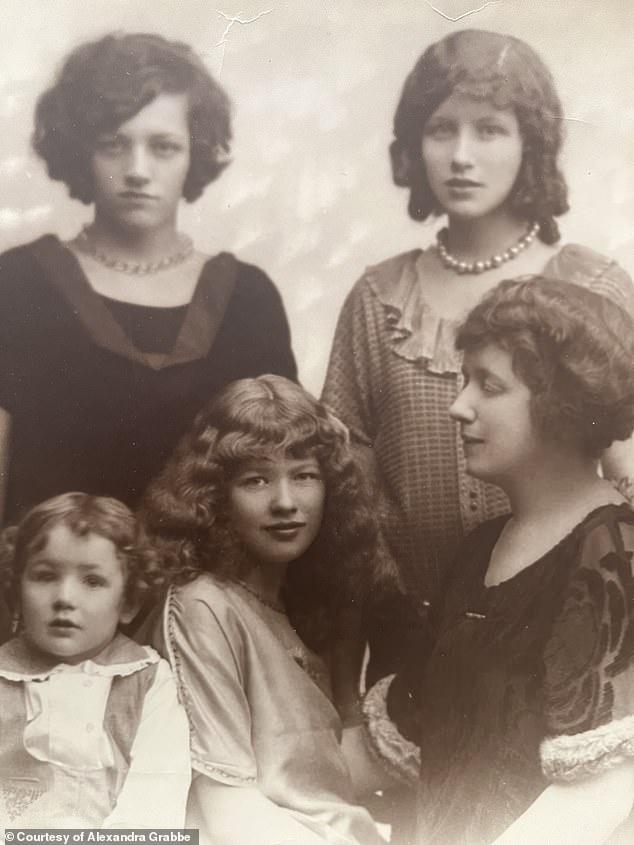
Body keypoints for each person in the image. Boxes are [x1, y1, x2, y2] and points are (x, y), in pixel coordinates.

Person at [321, 29, 634, 679]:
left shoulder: (589, 286)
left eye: (490, 130)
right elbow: (347, 498)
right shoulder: (379, 299)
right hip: (412, 638)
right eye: (442, 130)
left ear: (531, 142)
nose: (461, 156)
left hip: (560, 630)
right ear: (415, 143)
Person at [363, 278, 634, 845]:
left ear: (563, 405)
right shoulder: (478, 549)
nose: (458, 407)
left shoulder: (616, 554)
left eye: (489, 385)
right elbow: (416, 732)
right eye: (465, 381)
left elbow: (599, 796)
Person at [0, 31, 296, 527]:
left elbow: (281, 473)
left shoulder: (248, 298)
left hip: (208, 577)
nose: (137, 170)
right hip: (56, 574)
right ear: (80, 151)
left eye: (163, 147)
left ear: (194, 154)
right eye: (114, 144)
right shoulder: (18, 283)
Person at [138, 374, 386, 845]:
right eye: (256, 480)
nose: (285, 503)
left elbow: (319, 784)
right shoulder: (202, 605)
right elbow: (228, 809)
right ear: (216, 496)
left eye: (305, 475)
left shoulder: (298, 604)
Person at [0, 492, 190, 830]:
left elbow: (156, 795)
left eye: (92, 581)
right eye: (45, 576)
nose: (64, 598)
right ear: (16, 591)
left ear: (129, 602)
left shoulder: (147, 681)